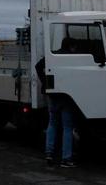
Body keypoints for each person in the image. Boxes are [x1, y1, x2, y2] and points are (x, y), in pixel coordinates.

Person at [35, 38, 77, 168]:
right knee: (67, 127)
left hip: (52, 95)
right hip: (67, 95)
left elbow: (38, 66)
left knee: (52, 123)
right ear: (71, 46)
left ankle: (49, 153)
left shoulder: (53, 55)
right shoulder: (72, 58)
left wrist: (45, 81)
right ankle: (66, 158)